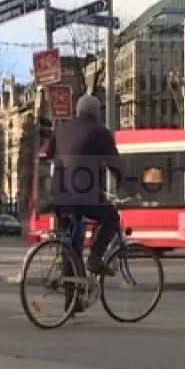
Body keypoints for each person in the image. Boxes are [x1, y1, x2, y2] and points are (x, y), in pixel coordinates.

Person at [45, 95, 122, 277]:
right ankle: (95, 258)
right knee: (111, 218)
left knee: (72, 241)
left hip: (59, 195)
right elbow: (116, 165)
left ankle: (72, 289)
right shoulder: (100, 131)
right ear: (96, 112)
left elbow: (48, 154)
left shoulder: (61, 129)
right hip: (84, 194)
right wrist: (125, 185)